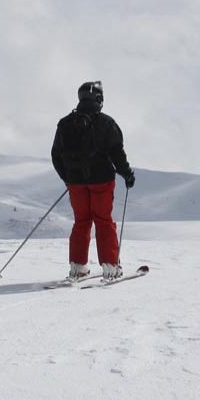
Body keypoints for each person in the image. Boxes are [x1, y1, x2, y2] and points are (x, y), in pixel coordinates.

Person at [51, 80, 135, 281]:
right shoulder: (106, 123)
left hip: (76, 183)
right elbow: (117, 153)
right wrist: (127, 174)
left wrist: (68, 178)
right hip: (102, 181)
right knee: (104, 221)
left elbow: (56, 155)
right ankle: (110, 266)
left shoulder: (65, 123)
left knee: (81, 222)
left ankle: (78, 267)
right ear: (99, 99)